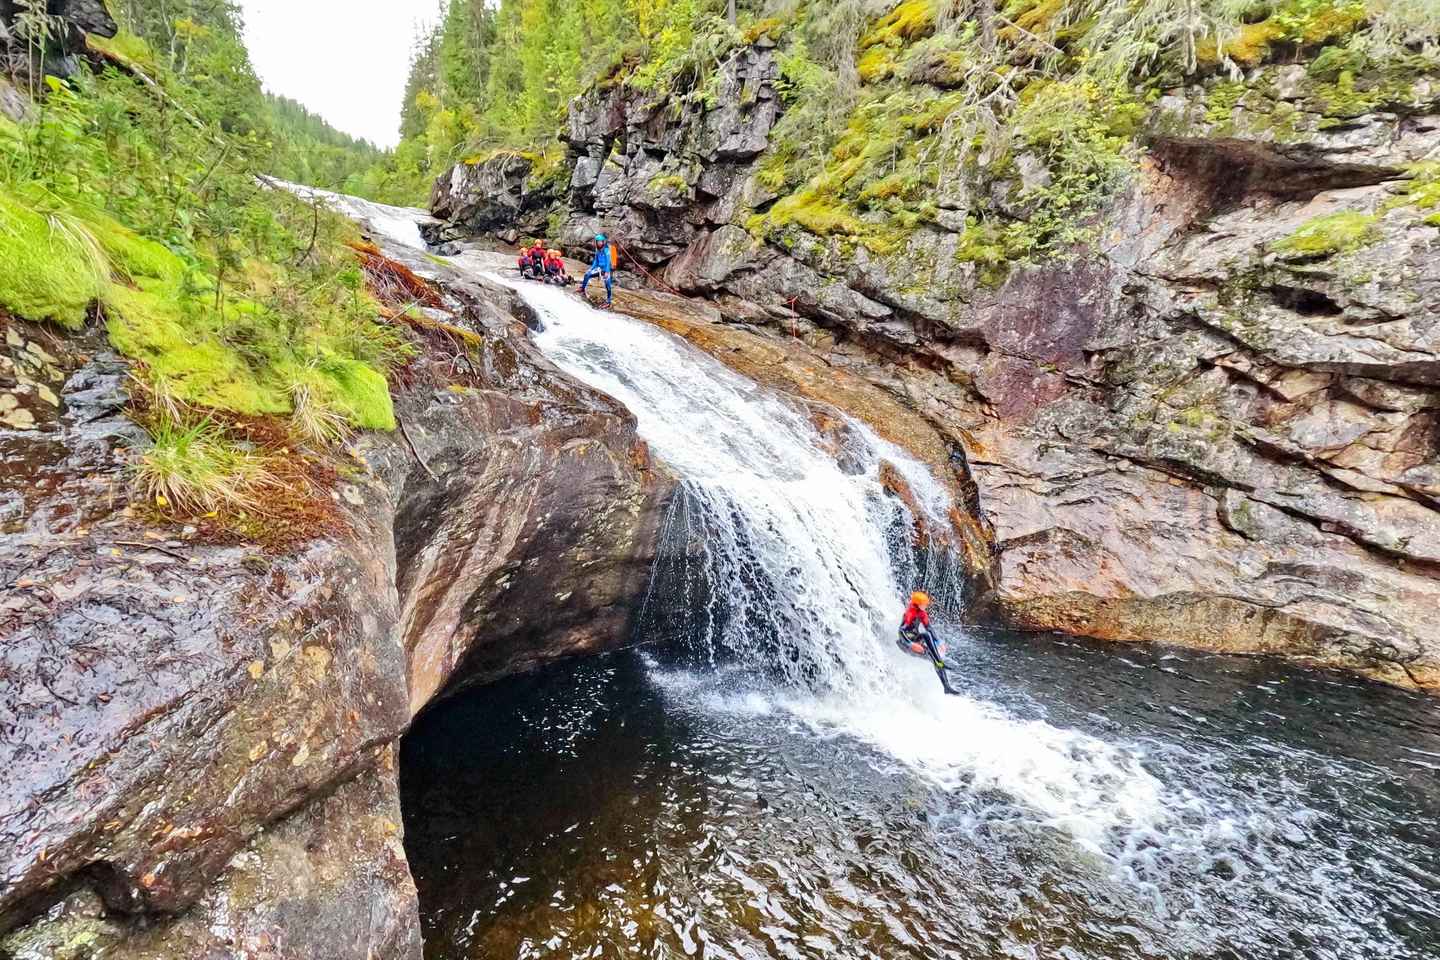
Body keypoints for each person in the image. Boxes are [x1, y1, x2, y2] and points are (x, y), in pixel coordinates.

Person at [897, 591, 959, 696]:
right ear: (918, 604)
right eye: (924, 604)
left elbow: (929, 628)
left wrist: (938, 642)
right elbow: (901, 631)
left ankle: (947, 687)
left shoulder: (921, 613)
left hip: (915, 640)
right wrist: (911, 644)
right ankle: (940, 663)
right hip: (905, 643)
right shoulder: (910, 613)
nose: (926, 605)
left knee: (934, 656)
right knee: (926, 638)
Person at [579, 233, 616, 307]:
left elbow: (608, 261)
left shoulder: (606, 250)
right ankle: (582, 289)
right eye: (598, 241)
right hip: (599, 269)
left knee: (607, 285)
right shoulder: (597, 250)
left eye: (600, 241)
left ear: (603, 242)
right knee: (587, 275)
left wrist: (607, 272)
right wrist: (591, 269)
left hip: (606, 269)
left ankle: (608, 301)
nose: (599, 243)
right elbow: (596, 261)